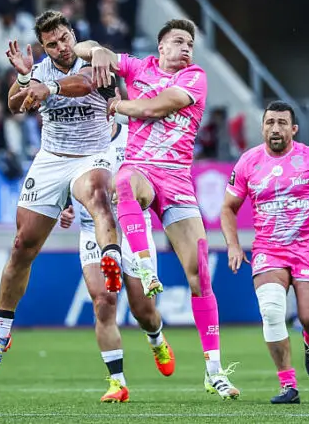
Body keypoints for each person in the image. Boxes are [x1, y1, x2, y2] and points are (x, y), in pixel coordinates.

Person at [73, 20, 240, 400]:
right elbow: (83, 49)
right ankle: (146, 268)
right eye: (178, 41)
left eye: (191, 43)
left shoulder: (196, 77)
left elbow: (155, 107)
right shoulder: (137, 67)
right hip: (142, 169)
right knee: (125, 184)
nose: (186, 48)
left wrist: (119, 105)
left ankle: (214, 371)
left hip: (179, 179)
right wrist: (96, 49)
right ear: (160, 47)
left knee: (200, 273)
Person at [0, 11, 123, 370]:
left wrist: (49, 88)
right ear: (43, 47)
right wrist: (25, 76)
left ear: (72, 34)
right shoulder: (40, 70)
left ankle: (111, 259)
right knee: (21, 246)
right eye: (52, 44)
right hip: (51, 159)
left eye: (63, 39)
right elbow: (14, 104)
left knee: (97, 194)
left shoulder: (92, 57)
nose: (61, 48)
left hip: (92, 154)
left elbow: (86, 84)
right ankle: (0, 330)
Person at [221, 101, 309, 404]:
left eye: (282, 123)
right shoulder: (248, 162)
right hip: (269, 249)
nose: (275, 128)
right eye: (270, 122)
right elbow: (228, 208)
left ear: (293, 129)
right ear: (263, 127)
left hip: (308, 247)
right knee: (271, 310)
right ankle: (288, 385)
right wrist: (233, 244)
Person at [58, 117, 173, 402]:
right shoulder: (72, 140)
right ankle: (117, 383)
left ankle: (156, 337)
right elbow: (61, 180)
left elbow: (152, 181)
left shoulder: (133, 137)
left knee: (143, 310)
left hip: (131, 227)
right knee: (103, 302)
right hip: (91, 229)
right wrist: (65, 207)